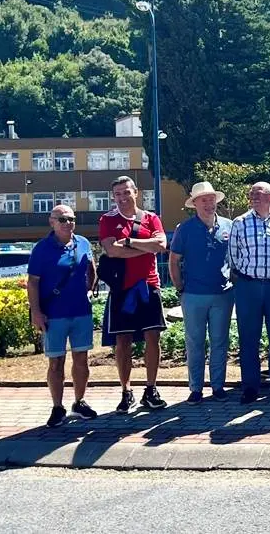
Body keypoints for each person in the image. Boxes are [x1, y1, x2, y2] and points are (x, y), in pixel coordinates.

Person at [99, 176, 168, 414]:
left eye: (126, 192)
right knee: (123, 342)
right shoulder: (107, 220)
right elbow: (111, 251)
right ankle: (126, 391)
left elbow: (161, 245)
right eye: (117, 194)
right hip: (122, 289)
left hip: (148, 286)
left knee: (153, 339)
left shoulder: (151, 218)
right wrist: (144, 245)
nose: (122, 197)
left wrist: (128, 242)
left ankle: (151, 389)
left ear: (135, 192)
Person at [27, 205, 99, 427]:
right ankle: (58, 407)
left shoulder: (83, 243)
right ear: (52, 222)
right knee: (56, 362)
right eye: (62, 219)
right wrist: (36, 312)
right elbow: (33, 282)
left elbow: (91, 269)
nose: (67, 223)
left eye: (71, 219)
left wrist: (88, 290)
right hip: (54, 315)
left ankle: (79, 402)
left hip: (80, 313)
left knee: (81, 360)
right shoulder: (42, 249)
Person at [228, 182, 270, 404]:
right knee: (248, 337)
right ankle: (250, 386)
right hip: (249, 286)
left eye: (259, 194)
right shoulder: (240, 222)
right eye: (251, 194)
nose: (254, 197)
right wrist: (248, 278)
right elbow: (233, 256)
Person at [168, 182, 233, 404]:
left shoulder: (229, 226)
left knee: (219, 342)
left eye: (211, 199)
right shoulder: (184, 229)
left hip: (222, 293)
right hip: (193, 294)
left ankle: (218, 386)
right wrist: (180, 289)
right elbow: (174, 261)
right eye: (203, 200)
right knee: (195, 342)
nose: (208, 203)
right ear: (194, 203)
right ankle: (195, 388)